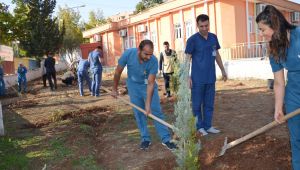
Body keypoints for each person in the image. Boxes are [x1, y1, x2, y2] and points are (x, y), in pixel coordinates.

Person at [256, 5, 300, 169]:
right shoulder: (274, 48)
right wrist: (278, 108)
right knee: (296, 139)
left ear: (274, 26)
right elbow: (279, 82)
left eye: (262, 29)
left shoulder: (299, 36)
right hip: (294, 93)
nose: (261, 34)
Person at [112, 40, 176, 150]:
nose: (148, 57)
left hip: (147, 86)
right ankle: (145, 138)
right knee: (139, 113)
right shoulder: (128, 54)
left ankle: (166, 139)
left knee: (156, 112)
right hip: (133, 86)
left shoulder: (153, 61)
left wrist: (148, 104)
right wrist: (114, 88)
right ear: (139, 50)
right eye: (146, 54)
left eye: (150, 54)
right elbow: (118, 72)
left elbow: (151, 83)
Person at [185, 14, 227, 136]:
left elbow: (217, 55)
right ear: (197, 26)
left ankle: (208, 126)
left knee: (209, 104)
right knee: (197, 104)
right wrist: (187, 76)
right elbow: (187, 59)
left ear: (209, 24)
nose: (204, 28)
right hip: (197, 79)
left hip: (210, 78)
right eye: (201, 26)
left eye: (206, 25)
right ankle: (199, 127)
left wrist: (223, 70)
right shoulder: (192, 40)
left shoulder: (213, 38)